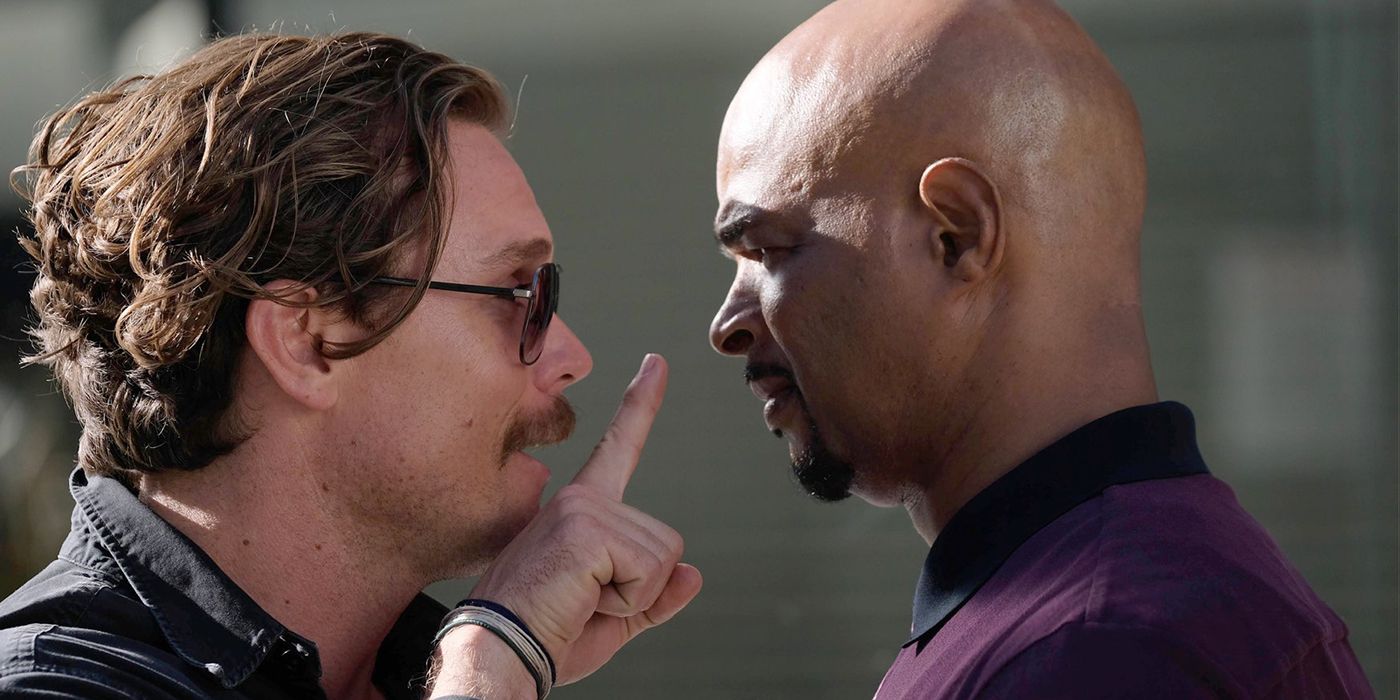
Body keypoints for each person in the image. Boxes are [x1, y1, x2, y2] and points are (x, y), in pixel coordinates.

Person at [0, 32, 701, 699]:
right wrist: (492, 664)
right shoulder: (56, 683)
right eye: (519, 292)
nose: (571, 357)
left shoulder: (414, 670)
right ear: (306, 342)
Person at [707, 0, 1374, 697]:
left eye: (767, 251)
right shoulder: (1111, 608)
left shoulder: (1092, 651)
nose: (726, 326)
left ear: (957, 235)